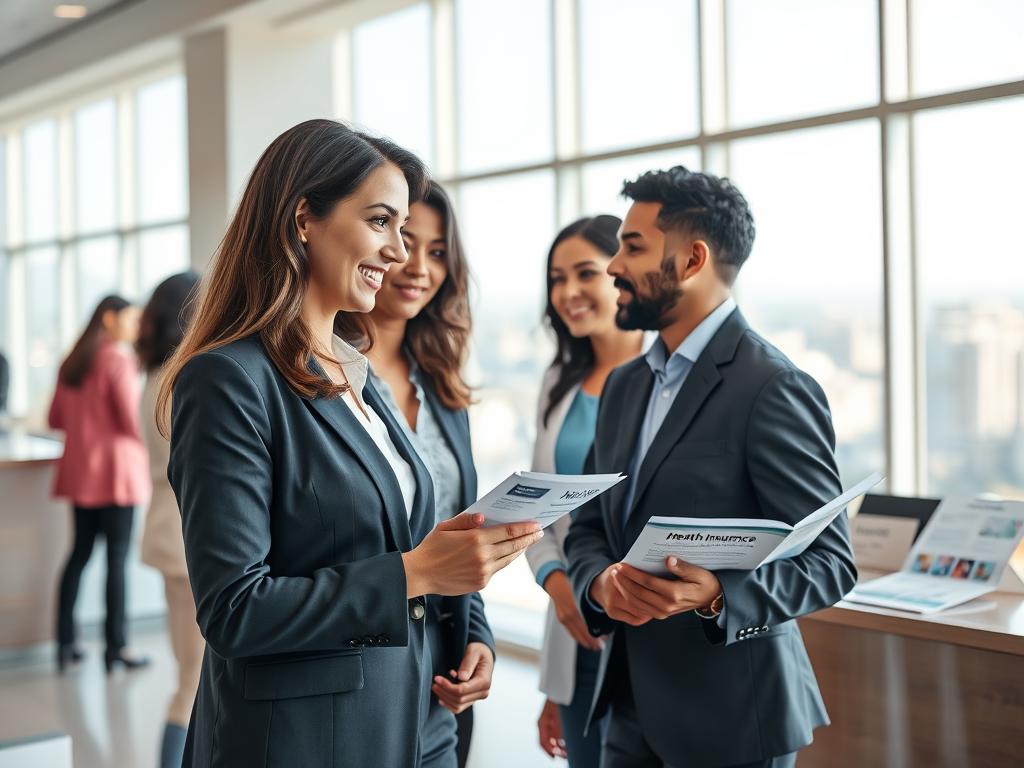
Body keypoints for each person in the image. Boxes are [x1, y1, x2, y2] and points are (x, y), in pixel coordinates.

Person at [162, 120, 543, 768]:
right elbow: (234, 609)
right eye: (381, 222)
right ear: (304, 218)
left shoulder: (359, 375)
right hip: (304, 742)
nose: (399, 252)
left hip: (419, 720)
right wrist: (419, 572)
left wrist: (462, 612)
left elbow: (406, 539)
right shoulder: (229, 380)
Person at [565, 167, 858, 768]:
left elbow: (831, 562)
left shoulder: (773, 387)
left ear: (693, 259)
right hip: (627, 708)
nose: (615, 264)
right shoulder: (624, 385)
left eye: (633, 246)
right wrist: (598, 583)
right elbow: (589, 526)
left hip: (734, 720)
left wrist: (718, 595)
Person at [344, 181, 492, 768]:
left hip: (440, 678)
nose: (416, 266)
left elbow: (462, 529)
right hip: (357, 674)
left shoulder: (441, 384)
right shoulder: (328, 376)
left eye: (437, 253)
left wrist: (477, 636)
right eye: (404, 240)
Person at [525, 215, 643, 766]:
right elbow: (538, 510)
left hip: (646, 626)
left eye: (584, 274)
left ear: (620, 274)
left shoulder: (661, 375)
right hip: (574, 627)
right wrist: (556, 581)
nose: (567, 292)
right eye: (556, 278)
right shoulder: (558, 382)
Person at [49, 295, 151, 674]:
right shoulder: (118, 360)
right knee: (117, 561)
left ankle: (65, 643)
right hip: (117, 476)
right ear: (109, 319)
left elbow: (55, 418)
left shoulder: (71, 363)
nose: (136, 326)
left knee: (79, 555)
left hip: (81, 475)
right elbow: (132, 422)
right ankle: (117, 648)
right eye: (130, 318)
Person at [137, 271, 202, 768]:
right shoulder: (188, 377)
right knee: (193, 683)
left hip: (165, 528)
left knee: (188, 673)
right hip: (188, 534)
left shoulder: (154, 376)